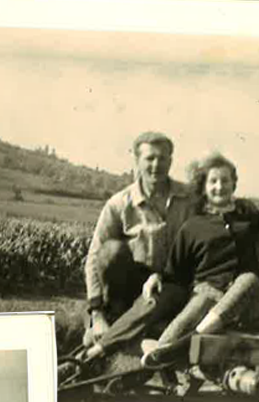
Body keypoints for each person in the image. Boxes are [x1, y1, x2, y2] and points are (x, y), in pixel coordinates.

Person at [139, 153, 259, 369]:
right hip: (209, 298)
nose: (220, 186)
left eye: (225, 180)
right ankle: (156, 358)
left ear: (234, 184)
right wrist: (156, 275)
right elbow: (175, 271)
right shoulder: (193, 227)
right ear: (204, 187)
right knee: (199, 301)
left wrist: (247, 206)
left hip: (248, 303)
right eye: (213, 181)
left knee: (249, 279)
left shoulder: (249, 218)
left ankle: (189, 342)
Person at [79, 131, 198, 356]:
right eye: (150, 158)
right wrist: (97, 313)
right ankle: (110, 317)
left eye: (163, 158)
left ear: (171, 161)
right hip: (130, 288)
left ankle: (100, 348)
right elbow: (94, 257)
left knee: (159, 296)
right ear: (137, 161)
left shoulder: (189, 199)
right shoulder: (119, 204)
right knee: (111, 250)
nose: (156, 165)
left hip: (171, 284)